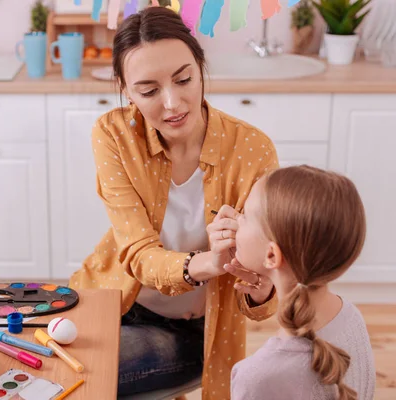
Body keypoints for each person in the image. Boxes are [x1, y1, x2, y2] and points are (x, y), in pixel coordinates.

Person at [69, 6, 280, 399]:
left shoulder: (252, 151)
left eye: (184, 79)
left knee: (82, 377)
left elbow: (262, 300)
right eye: (148, 91)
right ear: (125, 89)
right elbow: (138, 252)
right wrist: (208, 263)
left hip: (194, 328)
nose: (172, 103)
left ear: (201, 68)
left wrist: (258, 279)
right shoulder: (115, 135)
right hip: (113, 299)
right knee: (39, 358)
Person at [230, 165, 376, 400]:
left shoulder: (257, 376)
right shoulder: (351, 317)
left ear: (271, 256)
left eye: (244, 215)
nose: (236, 219)